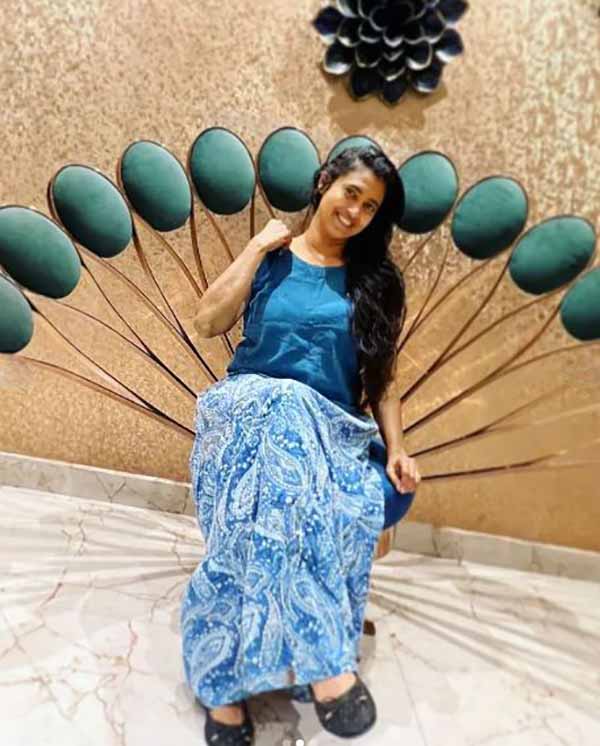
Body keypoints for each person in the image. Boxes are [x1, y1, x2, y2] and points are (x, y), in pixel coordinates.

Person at [180, 145, 421, 745]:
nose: (356, 212)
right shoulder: (272, 258)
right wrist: (257, 247)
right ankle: (324, 663)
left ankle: (223, 681)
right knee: (282, 402)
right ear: (324, 183)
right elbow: (207, 322)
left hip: (328, 435)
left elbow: (382, 380)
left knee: (262, 509)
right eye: (351, 193)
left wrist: (396, 448)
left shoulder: (375, 283)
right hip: (243, 417)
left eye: (370, 207)